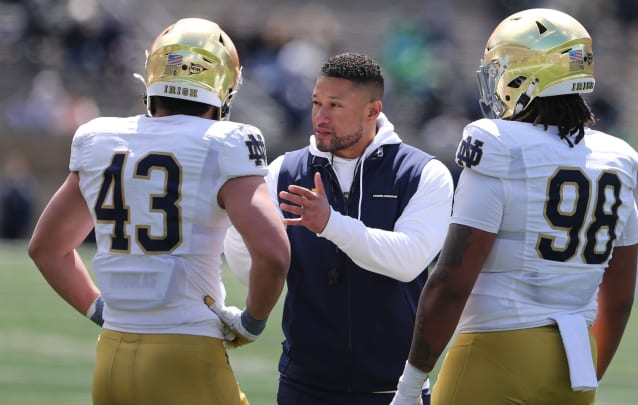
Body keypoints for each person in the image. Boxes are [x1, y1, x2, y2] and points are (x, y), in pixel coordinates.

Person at [27, 17, 290, 405]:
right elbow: (273, 253)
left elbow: (47, 248)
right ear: (225, 86)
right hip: (187, 356)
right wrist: (251, 322)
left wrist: (98, 308)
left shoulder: (101, 138)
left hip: (112, 358)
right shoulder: (226, 142)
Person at [391, 8, 638, 405]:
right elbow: (620, 298)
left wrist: (408, 386)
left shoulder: (498, 143)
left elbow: (451, 283)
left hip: (494, 354)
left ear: (527, 74)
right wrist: (589, 375)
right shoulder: (617, 158)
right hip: (574, 368)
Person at [223, 52, 454, 404]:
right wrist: (242, 230)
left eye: (335, 105)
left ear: (372, 111)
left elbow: (409, 260)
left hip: (394, 389)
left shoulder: (423, 172)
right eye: (316, 102)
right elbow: (246, 270)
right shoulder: (284, 170)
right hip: (304, 385)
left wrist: (331, 223)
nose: (320, 116)